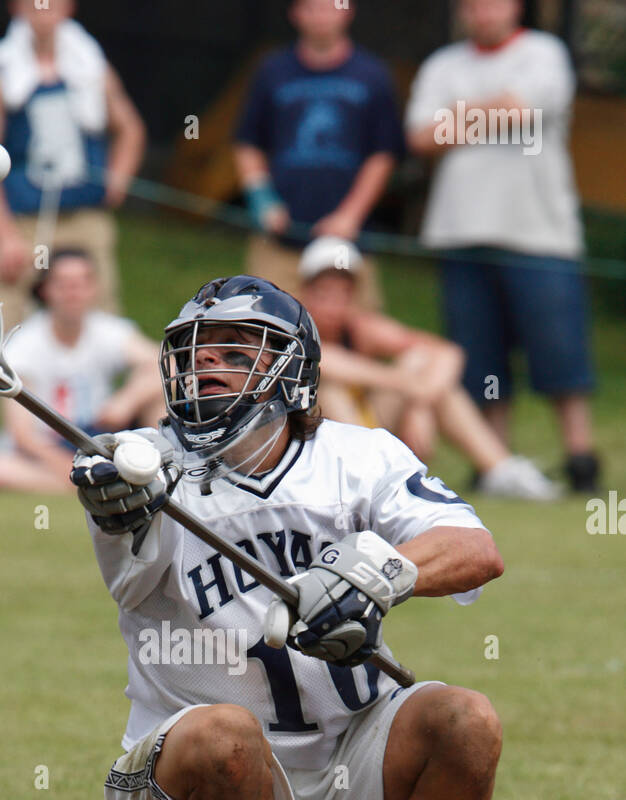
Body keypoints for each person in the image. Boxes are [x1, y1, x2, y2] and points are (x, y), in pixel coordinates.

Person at [69, 274, 505, 800]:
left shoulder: (359, 455)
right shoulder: (144, 469)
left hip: (346, 761)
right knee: (226, 735)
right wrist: (115, 506)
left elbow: (476, 551)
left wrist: (374, 579)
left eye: (235, 353)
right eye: (195, 355)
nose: (206, 370)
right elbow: (131, 564)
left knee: (466, 719)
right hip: (187, 788)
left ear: (293, 372)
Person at [405, 0, 601, 492]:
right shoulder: (442, 64)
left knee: (559, 352)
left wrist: (459, 117)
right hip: (460, 232)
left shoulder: (544, 53)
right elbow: (421, 138)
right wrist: (493, 110)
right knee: (480, 355)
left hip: (539, 233)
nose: (483, 11)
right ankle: (496, 463)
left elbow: (523, 110)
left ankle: (581, 460)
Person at [0, 0, 146, 477]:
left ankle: (124, 453)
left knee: (102, 326)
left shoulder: (89, 63)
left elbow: (131, 129)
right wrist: (2, 236)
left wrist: (118, 180)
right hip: (22, 222)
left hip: (84, 220)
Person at [299, 236, 561, 499]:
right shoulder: (294, 329)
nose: (333, 305)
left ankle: (500, 470)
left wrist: (419, 404)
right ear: (306, 292)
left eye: (342, 294)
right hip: (316, 448)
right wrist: (407, 382)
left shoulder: (362, 327)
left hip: (367, 425)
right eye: (324, 293)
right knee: (331, 388)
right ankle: (362, 476)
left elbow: (449, 353)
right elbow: (329, 363)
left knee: (421, 363)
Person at [233, 0, 403, 300]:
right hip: (279, 242)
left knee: (352, 337)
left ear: (348, 11)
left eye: (330, 6)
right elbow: (248, 143)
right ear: (295, 14)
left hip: (349, 247)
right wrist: (262, 199)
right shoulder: (272, 70)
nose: (321, 16)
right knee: (267, 329)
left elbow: (383, 154)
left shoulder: (373, 75)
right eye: (311, 7)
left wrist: (349, 216)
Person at [0, 249, 162, 494]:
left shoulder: (108, 330)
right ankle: (102, 482)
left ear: (94, 288)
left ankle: (154, 475)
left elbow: (165, 363)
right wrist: (65, 466)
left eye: (81, 283)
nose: (73, 293)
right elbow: (22, 434)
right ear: (45, 290)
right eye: (64, 284)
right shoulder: (24, 345)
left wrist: (125, 402)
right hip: (52, 444)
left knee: (159, 398)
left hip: (101, 434)